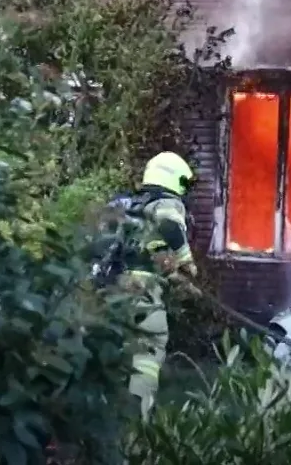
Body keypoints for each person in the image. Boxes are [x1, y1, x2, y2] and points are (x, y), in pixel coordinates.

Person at [104, 151, 197, 416]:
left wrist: (175, 278)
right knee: (149, 350)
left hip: (114, 287)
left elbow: (149, 251)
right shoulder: (166, 204)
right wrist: (187, 261)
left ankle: (108, 410)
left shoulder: (132, 206)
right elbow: (170, 227)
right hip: (143, 293)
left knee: (119, 349)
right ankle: (139, 416)